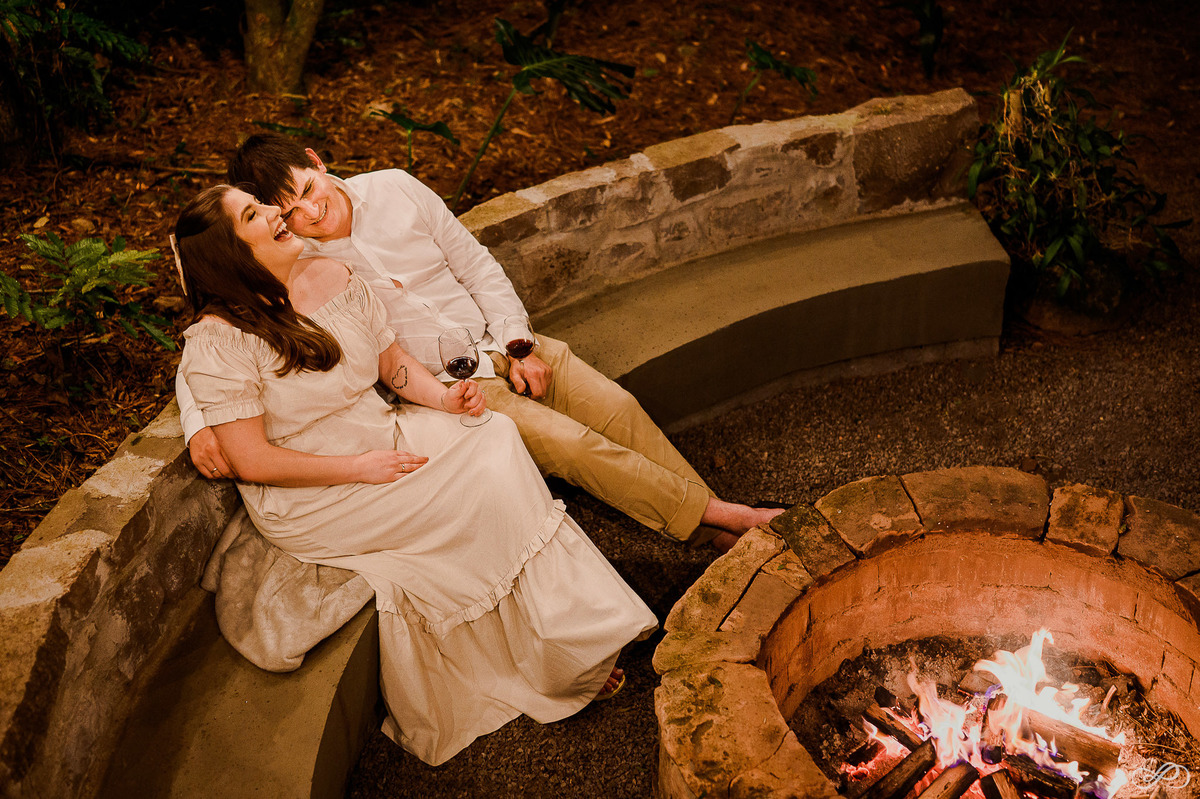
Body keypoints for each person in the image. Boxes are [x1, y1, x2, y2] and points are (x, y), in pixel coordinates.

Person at [172, 184, 658, 766]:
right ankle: (559, 651)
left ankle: (569, 634)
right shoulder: (218, 342)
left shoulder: (331, 274)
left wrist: (445, 399)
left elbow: (392, 364)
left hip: (381, 432)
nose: (279, 212)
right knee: (475, 489)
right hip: (312, 489)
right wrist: (358, 469)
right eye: (254, 213)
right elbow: (253, 461)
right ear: (228, 252)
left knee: (495, 438)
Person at [176, 132, 783, 552]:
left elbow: (475, 264)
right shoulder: (291, 260)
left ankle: (713, 530)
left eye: (310, 188)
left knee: (618, 409)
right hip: (451, 385)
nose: (310, 213)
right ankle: (727, 522)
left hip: (507, 340)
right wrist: (198, 422)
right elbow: (212, 333)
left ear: (317, 160)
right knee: (575, 447)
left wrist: (520, 346)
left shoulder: (395, 187)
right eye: (290, 211)